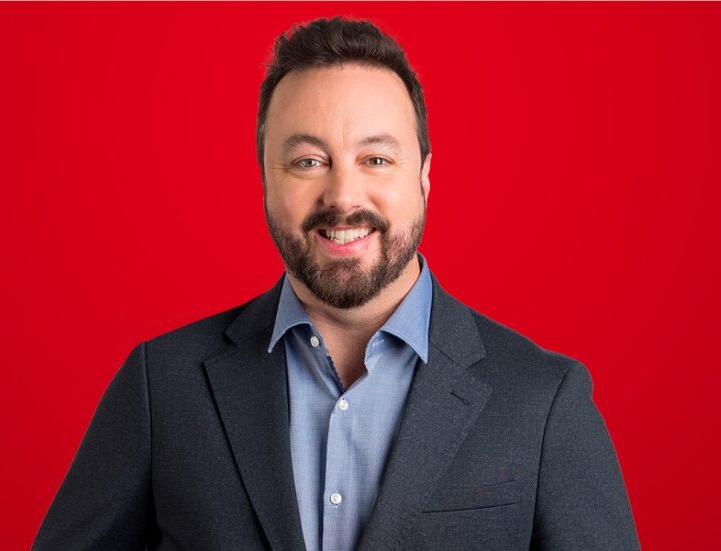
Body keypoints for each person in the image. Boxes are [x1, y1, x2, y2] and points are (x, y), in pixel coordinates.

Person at [33, 17, 640, 551]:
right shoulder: (161, 386)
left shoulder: (543, 401)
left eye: (376, 159)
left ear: (424, 177)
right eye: (308, 162)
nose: (343, 196)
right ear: (266, 179)